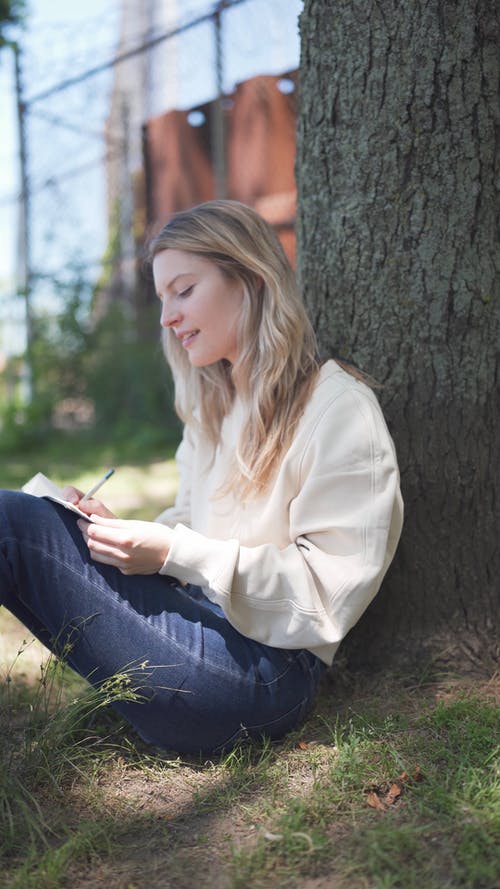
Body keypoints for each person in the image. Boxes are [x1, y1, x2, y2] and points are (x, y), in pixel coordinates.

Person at [0, 200, 403, 754]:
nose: (167, 317)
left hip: (268, 673)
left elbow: (326, 598)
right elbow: (188, 522)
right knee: (44, 521)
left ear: (250, 279)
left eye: (184, 291)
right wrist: (124, 537)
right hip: (204, 629)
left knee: (13, 525)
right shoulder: (214, 404)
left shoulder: (337, 410)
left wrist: (173, 553)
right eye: (163, 297)